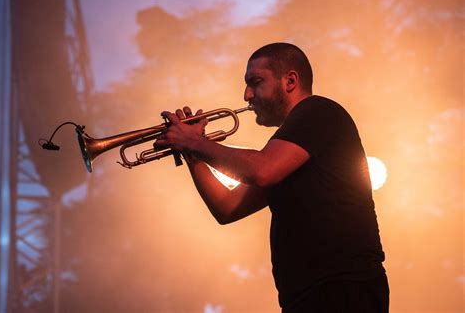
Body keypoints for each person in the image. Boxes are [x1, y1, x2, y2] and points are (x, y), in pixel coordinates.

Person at [154, 42, 389, 312]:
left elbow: (261, 170)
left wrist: (195, 143)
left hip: (342, 289)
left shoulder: (318, 112)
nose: (246, 95)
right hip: (307, 296)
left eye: (255, 82)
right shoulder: (289, 148)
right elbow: (227, 208)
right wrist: (191, 153)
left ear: (290, 81)